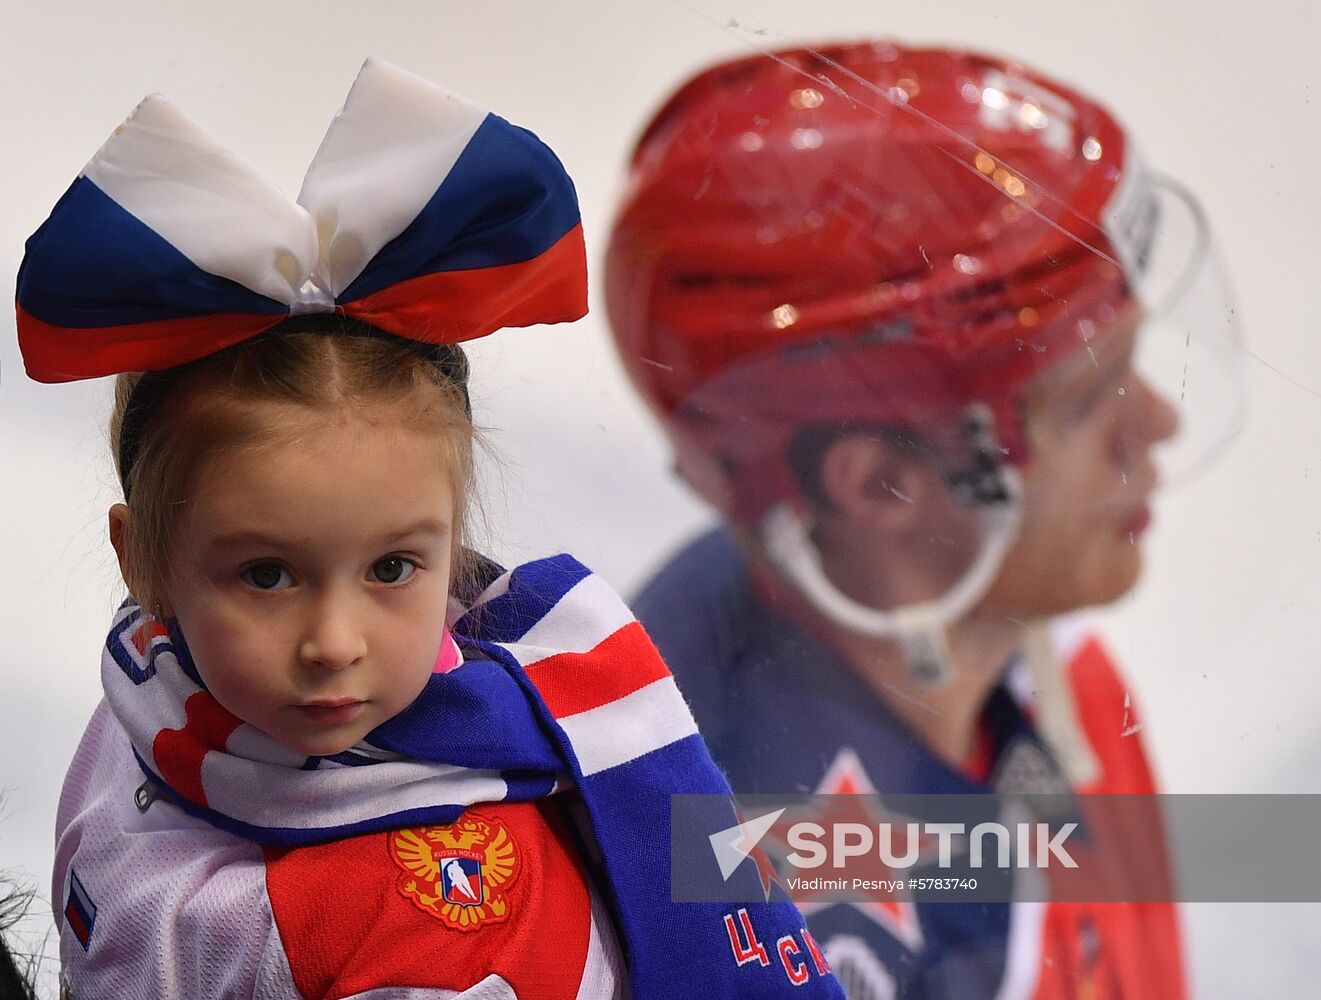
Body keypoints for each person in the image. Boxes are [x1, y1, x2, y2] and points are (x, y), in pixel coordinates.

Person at [18, 60, 844, 999]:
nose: (334, 645)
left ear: (456, 551)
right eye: (266, 577)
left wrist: (1027, 862)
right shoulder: (171, 718)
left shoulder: (428, 903)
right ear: (145, 564)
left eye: (393, 567)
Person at [606, 41, 1234, 999]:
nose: (1158, 421)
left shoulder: (1053, 678)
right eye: (1087, 396)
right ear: (879, 487)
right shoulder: (728, 908)